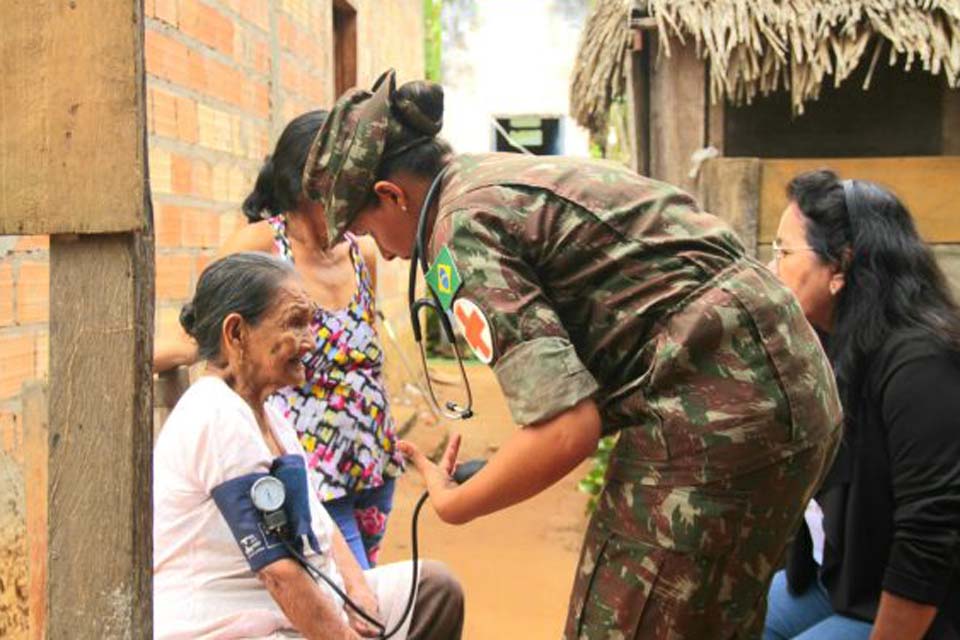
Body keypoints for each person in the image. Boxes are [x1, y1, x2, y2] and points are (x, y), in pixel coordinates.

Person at [297, 69, 844, 638]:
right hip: (795, 388)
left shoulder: (457, 231)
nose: (384, 254)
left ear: (392, 195)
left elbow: (566, 430)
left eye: (368, 230)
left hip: (717, 410)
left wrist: (456, 504)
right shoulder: (497, 177)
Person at [153, 251, 463, 640]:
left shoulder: (271, 414)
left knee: (433, 590)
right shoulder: (216, 413)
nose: (311, 341)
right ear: (236, 334)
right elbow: (278, 573)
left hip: (298, 601)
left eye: (310, 324)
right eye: (295, 324)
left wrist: (358, 591)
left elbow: (319, 518)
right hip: (237, 623)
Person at [154, 110, 404, 570]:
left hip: (372, 465)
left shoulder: (361, 252)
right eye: (345, 183)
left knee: (359, 590)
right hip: (305, 470)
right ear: (306, 185)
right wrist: (133, 362)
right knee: (353, 594)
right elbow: (202, 334)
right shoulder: (260, 248)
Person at [763, 170, 960, 640]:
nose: (771, 269)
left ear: (841, 266)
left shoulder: (921, 362)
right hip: (841, 574)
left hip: (921, 602)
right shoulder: (831, 342)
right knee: (721, 622)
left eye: (784, 252)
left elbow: (933, 527)